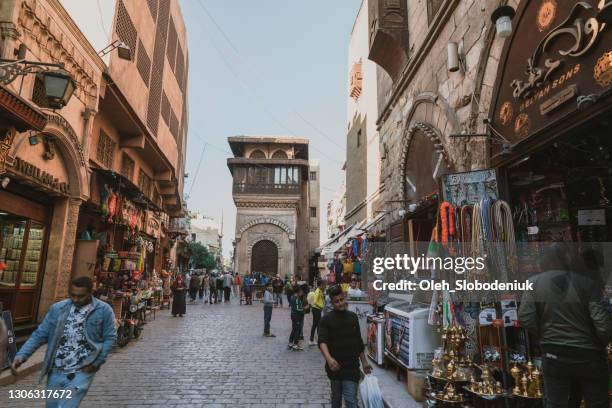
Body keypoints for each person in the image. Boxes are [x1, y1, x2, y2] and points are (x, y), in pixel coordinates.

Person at [519, 244, 612, 408]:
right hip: (588, 354)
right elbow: (602, 323)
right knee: (597, 402)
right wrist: (600, 344)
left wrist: (545, 336)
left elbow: (525, 318)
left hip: (554, 354)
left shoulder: (533, 283)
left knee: (557, 403)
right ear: (567, 259)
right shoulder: (586, 283)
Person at [11, 277, 116, 408]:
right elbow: (40, 334)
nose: (76, 299)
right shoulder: (58, 308)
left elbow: (110, 338)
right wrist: (21, 356)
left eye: (81, 296)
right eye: (72, 295)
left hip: (82, 370)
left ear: (91, 292)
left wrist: (96, 363)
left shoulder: (103, 310)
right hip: (56, 369)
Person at [318, 284, 372, 408]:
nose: (340, 303)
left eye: (341, 300)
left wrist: (364, 362)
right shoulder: (326, 320)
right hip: (334, 367)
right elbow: (322, 342)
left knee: (351, 400)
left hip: (351, 367)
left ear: (344, 297)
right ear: (332, 302)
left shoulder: (353, 318)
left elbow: (358, 342)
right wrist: (329, 359)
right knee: (336, 398)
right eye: (336, 301)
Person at [288, 286, 309, 350]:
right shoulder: (296, 298)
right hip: (297, 316)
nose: (302, 293)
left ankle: (290, 342)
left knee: (294, 329)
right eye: (302, 291)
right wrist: (305, 308)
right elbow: (298, 308)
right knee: (297, 329)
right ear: (299, 291)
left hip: (294, 315)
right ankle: (295, 344)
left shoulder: (293, 297)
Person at [309, 279, 326, 346]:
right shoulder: (318, 291)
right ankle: (311, 340)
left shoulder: (320, 291)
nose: (325, 286)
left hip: (318, 310)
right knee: (315, 325)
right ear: (320, 285)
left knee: (318, 325)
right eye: (324, 285)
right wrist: (321, 306)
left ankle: (317, 340)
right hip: (316, 310)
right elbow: (315, 302)